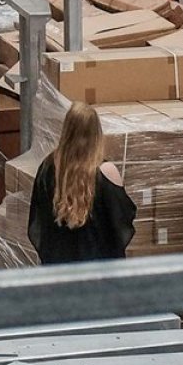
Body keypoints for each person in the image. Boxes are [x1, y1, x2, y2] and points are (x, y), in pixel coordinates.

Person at [26, 101, 135, 263]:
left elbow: (37, 224)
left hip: (58, 271)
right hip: (97, 274)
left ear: (66, 131)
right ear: (97, 134)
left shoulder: (47, 168)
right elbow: (122, 224)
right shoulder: (106, 172)